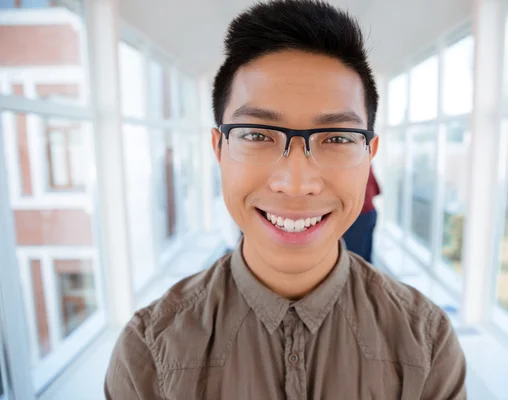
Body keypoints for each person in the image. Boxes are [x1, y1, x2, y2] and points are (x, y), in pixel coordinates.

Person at [104, 1, 467, 399]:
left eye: (338, 138)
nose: (296, 184)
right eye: (258, 135)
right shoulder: (149, 351)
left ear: (370, 154)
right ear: (218, 149)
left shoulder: (428, 343)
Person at [343, 166, 381, 263]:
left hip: (359, 217)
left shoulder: (349, 171)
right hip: (371, 214)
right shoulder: (368, 167)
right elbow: (378, 190)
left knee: (356, 258)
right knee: (367, 254)